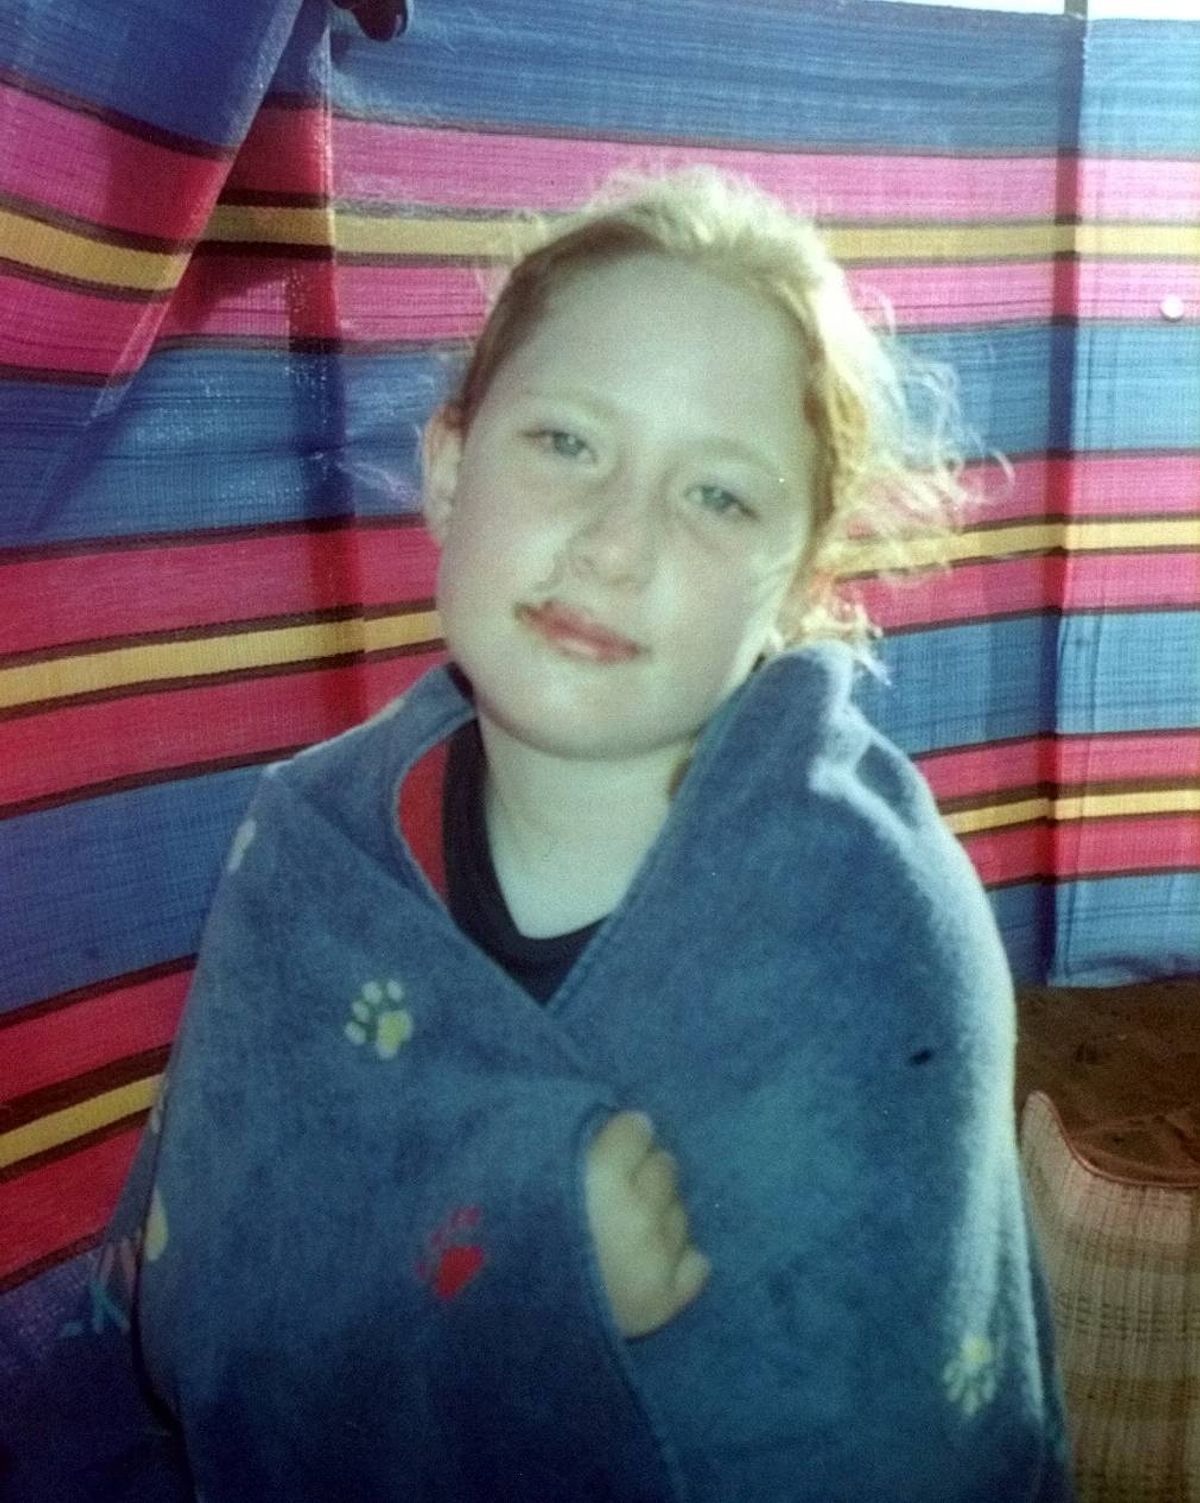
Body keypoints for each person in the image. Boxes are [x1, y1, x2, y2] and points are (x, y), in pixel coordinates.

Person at [29, 166, 1074, 1501]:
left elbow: (880, 1440)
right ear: (449, 472)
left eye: (719, 497)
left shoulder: (871, 928)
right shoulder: (309, 851)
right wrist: (519, 1262)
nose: (616, 545)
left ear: (795, 590)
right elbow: (203, 1315)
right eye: (568, 443)